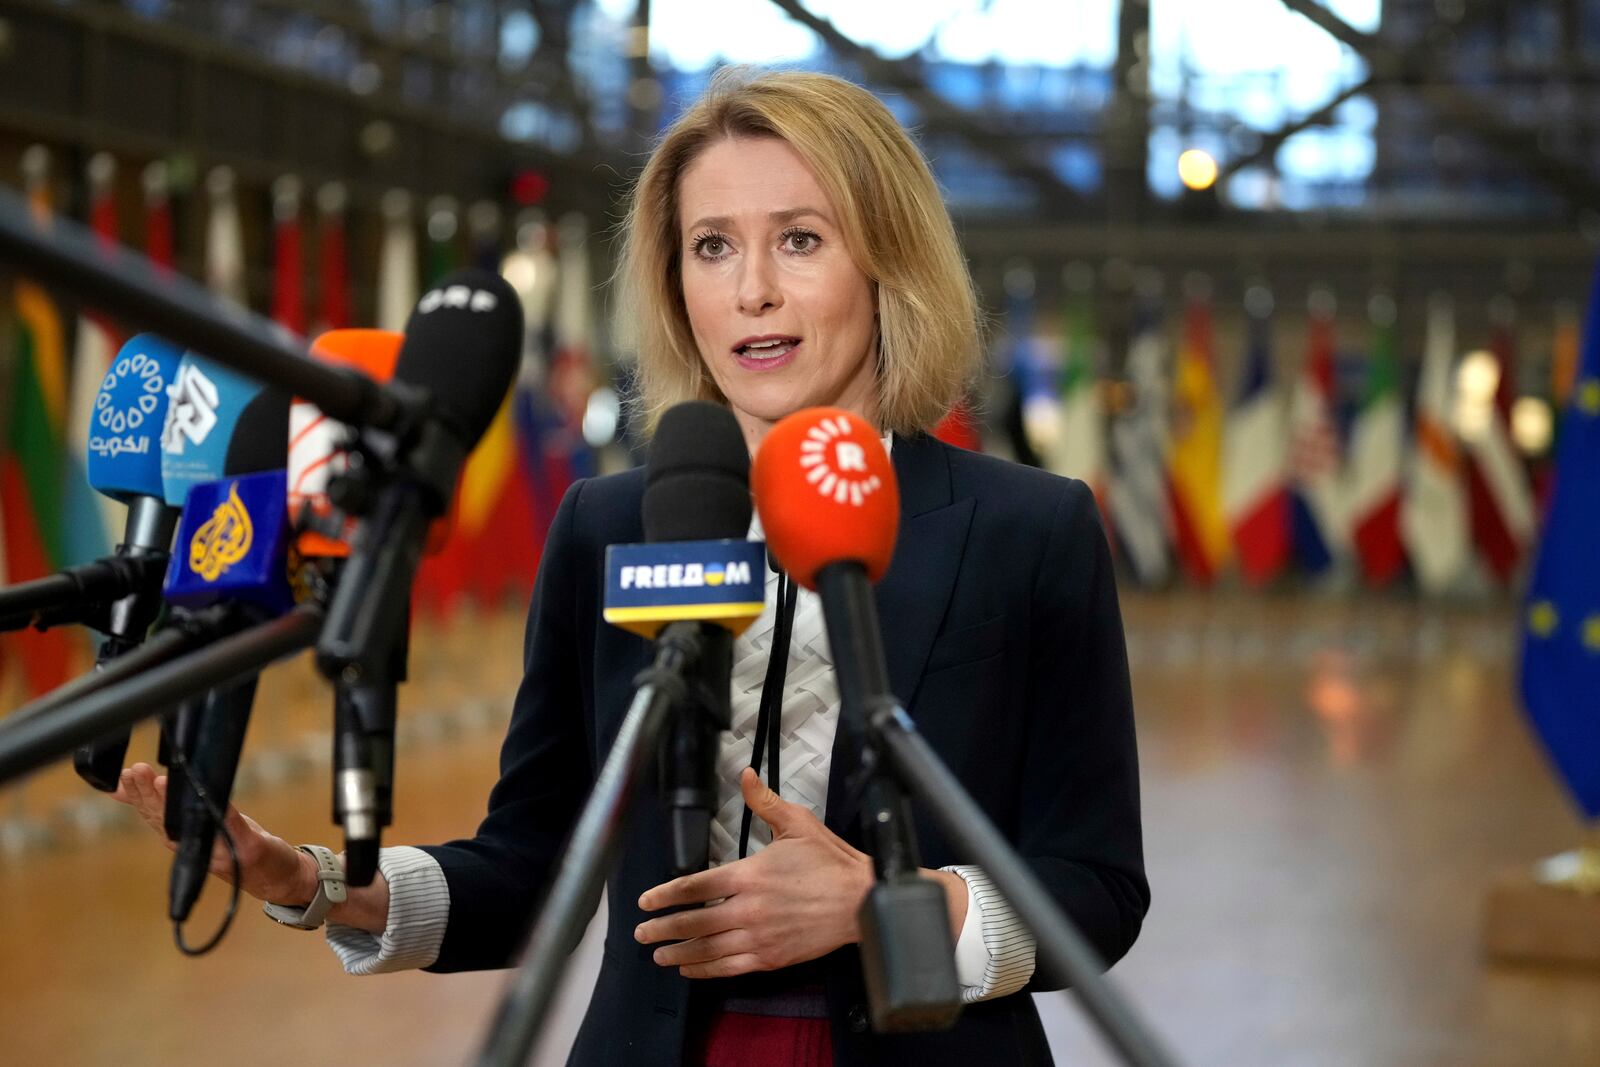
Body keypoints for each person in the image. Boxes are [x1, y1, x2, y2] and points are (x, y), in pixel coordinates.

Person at [114, 69, 1147, 1066]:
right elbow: (530, 871)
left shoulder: (1030, 528)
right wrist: (309, 878)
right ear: (672, 279)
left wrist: (887, 901)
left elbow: (1095, 892)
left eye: (799, 240)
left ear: (888, 260)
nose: (751, 290)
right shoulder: (605, 522)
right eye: (710, 246)